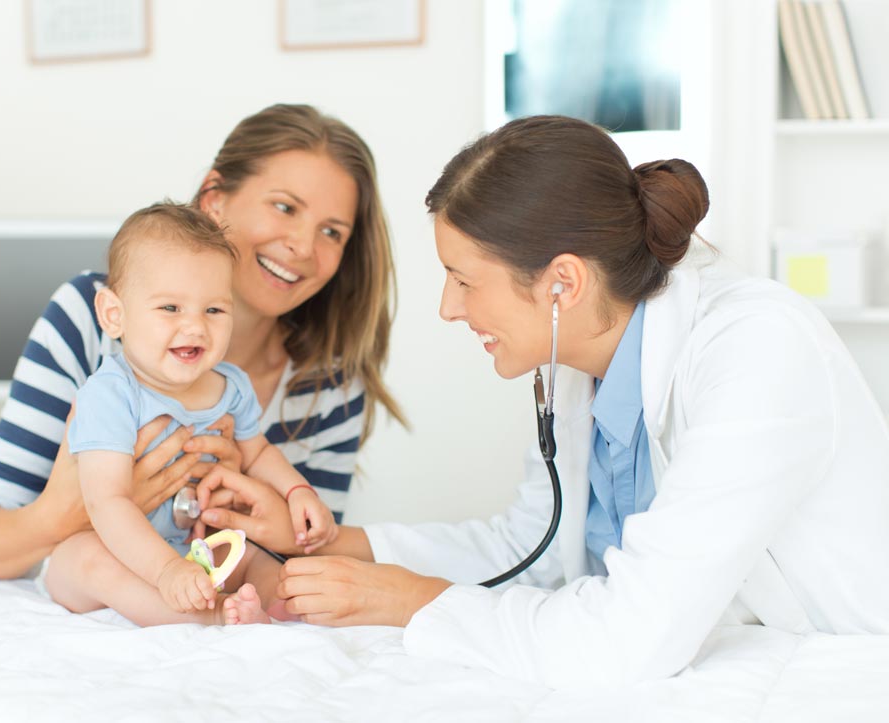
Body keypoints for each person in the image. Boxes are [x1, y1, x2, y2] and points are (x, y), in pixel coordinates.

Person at [201, 115, 889, 687]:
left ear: (562, 283)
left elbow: (633, 635)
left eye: (463, 279)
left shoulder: (757, 347)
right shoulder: (578, 358)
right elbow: (527, 547)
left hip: (840, 664)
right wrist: (325, 542)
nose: (447, 307)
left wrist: (416, 601)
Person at [0, 103, 406, 582]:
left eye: (332, 232)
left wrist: (259, 503)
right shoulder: (91, 317)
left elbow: (314, 555)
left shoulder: (328, 382)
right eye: (285, 207)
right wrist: (72, 512)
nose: (304, 247)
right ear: (214, 198)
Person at [42, 202, 338, 625]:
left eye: (214, 310)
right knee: (87, 560)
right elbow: (105, 502)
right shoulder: (110, 394)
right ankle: (208, 616)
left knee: (256, 555)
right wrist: (165, 570)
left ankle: (277, 607)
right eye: (170, 309)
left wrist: (297, 491)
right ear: (114, 314)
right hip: (115, 547)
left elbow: (257, 452)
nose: (196, 326)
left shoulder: (230, 385)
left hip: (195, 546)